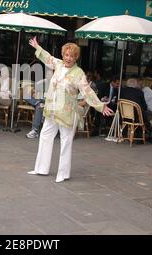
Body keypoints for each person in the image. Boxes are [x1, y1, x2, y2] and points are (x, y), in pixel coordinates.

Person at [27, 37, 113, 183]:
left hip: (67, 112)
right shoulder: (58, 64)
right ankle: (40, 168)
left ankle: (63, 173)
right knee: (45, 136)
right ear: (63, 55)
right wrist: (37, 47)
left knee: (66, 142)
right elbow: (48, 57)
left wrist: (100, 106)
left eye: (72, 56)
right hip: (52, 109)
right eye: (66, 55)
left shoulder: (78, 73)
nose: (68, 58)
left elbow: (87, 91)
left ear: (76, 57)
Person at [25, 67, 53, 139]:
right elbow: (33, 91)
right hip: (39, 101)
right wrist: (34, 93)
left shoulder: (54, 84)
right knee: (27, 96)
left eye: (50, 74)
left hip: (48, 103)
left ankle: (34, 131)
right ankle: (37, 103)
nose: (49, 76)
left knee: (39, 107)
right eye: (47, 74)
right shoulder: (42, 82)